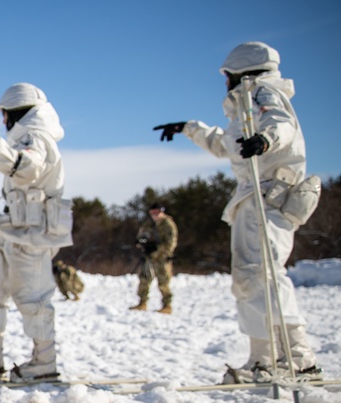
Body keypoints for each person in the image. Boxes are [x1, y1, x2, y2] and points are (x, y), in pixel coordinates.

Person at [153, 42, 321, 381]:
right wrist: (188, 127)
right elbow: (222, 145)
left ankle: (298, 359)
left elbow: (281, 125)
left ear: (243, 74)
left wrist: (266, 140)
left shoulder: (263, 95)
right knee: (250, 278)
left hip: (271, 196)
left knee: (267, 274)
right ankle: (263, 357)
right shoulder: (243, 110)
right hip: (252, 198)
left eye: (228, 76)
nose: (225, 84)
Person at [0, 83, 73, 381]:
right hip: (13, 232)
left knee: (33, 299)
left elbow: (27, 167)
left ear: (18, 112)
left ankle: (44, 363)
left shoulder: (37, 138)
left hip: (34, 235)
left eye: (5, 114)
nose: (3, 121)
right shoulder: (25, 137)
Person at [130, 203, 178, 314]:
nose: (155, 215)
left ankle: (167, 305)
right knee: (144, 278)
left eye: (157, 212)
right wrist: (142, 243)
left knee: (163, 281)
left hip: (162, 258)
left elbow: (171, 243)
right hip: (148, 256)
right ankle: (142, 302)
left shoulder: (168, 224)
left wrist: (158, 249)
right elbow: (140, 237)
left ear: (162, 211)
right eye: (152, 213)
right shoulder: (148, 224)